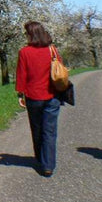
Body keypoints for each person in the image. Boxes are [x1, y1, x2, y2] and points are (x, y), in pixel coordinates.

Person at [15, 20, 63, 177]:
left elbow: (22, 75)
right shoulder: (52, 50)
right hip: (52, 96)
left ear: (30, 35)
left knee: (37, 128)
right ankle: (48, 164)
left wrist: (19, 94)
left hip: (33, 96)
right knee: (50, 130)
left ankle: (40, 158)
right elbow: (60, 70)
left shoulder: (24, 52)